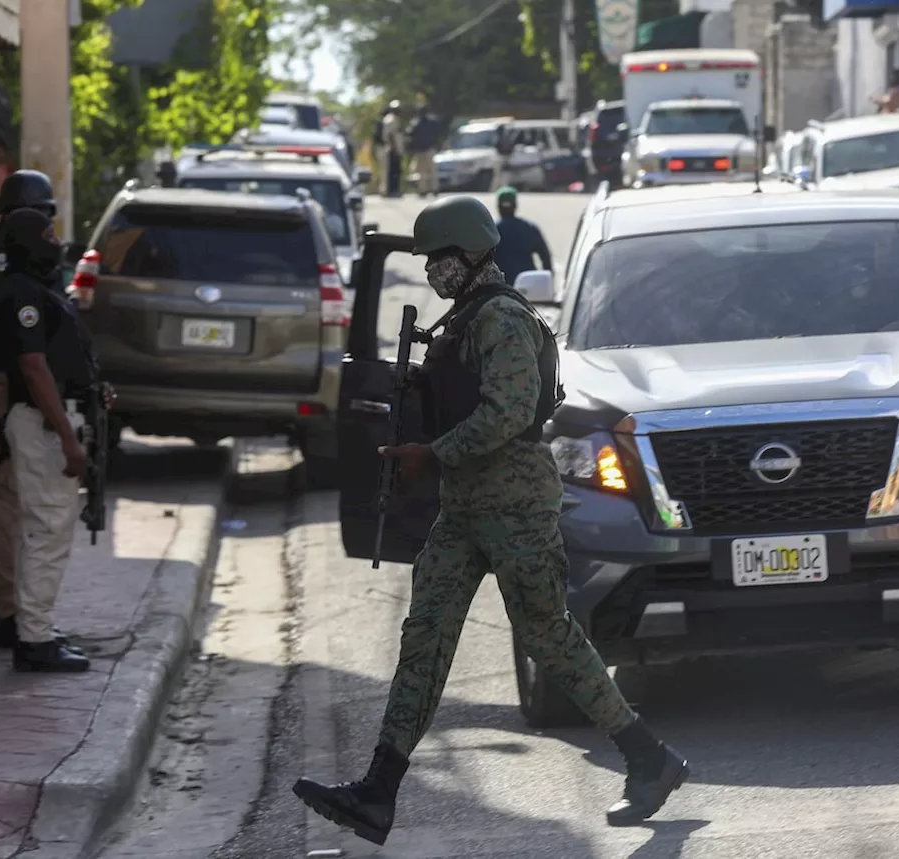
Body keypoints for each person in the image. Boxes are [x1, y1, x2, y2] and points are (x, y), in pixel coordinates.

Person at [292, 196, 687, 846]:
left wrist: (433, 451)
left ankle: (649, 756)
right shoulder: (464, 320)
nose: (431, 273)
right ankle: (378, 791)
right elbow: (469, 396)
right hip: (466, 504)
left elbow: (510, 410)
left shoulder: (502, 318)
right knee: (426, 633)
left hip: (513, 501)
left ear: (470, 256)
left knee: (548, 635)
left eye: (439, 260)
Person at [0, 170, 78, 654]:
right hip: (8, 386)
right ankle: (8, 612)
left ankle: (16, 610)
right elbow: (19, 343)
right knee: (9, 499)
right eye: (43, 218)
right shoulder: (1, 264)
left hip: (19, 386)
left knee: (22, 501)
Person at [0, 207, 110, 672]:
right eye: (45, 233)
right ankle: (34, 641)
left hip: (55, 420)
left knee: (42, 530)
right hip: (44, 426)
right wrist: (67, 438)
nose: (55, 239)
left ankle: (34, 627)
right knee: (47, 531)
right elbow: (34, 367)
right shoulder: (22, 293)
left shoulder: (41, 290)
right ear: (25, 241)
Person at [493, 186, 552, 286]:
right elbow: (545, 257)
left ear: (498, 206)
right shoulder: (530, 227)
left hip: (501, 288)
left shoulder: (492, 230)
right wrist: (548, 283)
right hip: (528, 286)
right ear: (515, 206)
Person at [407, 103, 440, 198]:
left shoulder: (431, 122)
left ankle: (433, 189)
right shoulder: (416, 123)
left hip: (428, 148)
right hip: (420, 149)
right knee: (422, 171)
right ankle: (424, 189)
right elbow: (410, 134)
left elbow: (437, 133)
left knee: (431, 170)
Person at [382, 99, 405, 198]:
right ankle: (392, 191)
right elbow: (390, 135)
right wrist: (394, 148)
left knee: (397, 171)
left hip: (396, 149)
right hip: (393, 149)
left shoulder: (395, 118)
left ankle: (395, 190)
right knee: (393, 171)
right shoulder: (390, 119)